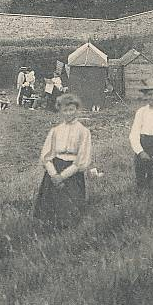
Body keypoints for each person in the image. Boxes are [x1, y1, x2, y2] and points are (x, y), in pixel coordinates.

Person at [33, 94, 92, 228]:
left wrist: (63, 176)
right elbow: (47, 155)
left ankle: (69, 234)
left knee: (70, 210)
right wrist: (53, 174)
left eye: (71, 109)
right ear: (60, 111)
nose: (69, 113)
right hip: (55, 168)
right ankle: (49, 231)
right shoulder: (55, 131)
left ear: (77, 109)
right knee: (50, 210)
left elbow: (82, 160)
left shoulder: (83, 131)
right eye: (65, 110)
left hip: (72, 172)